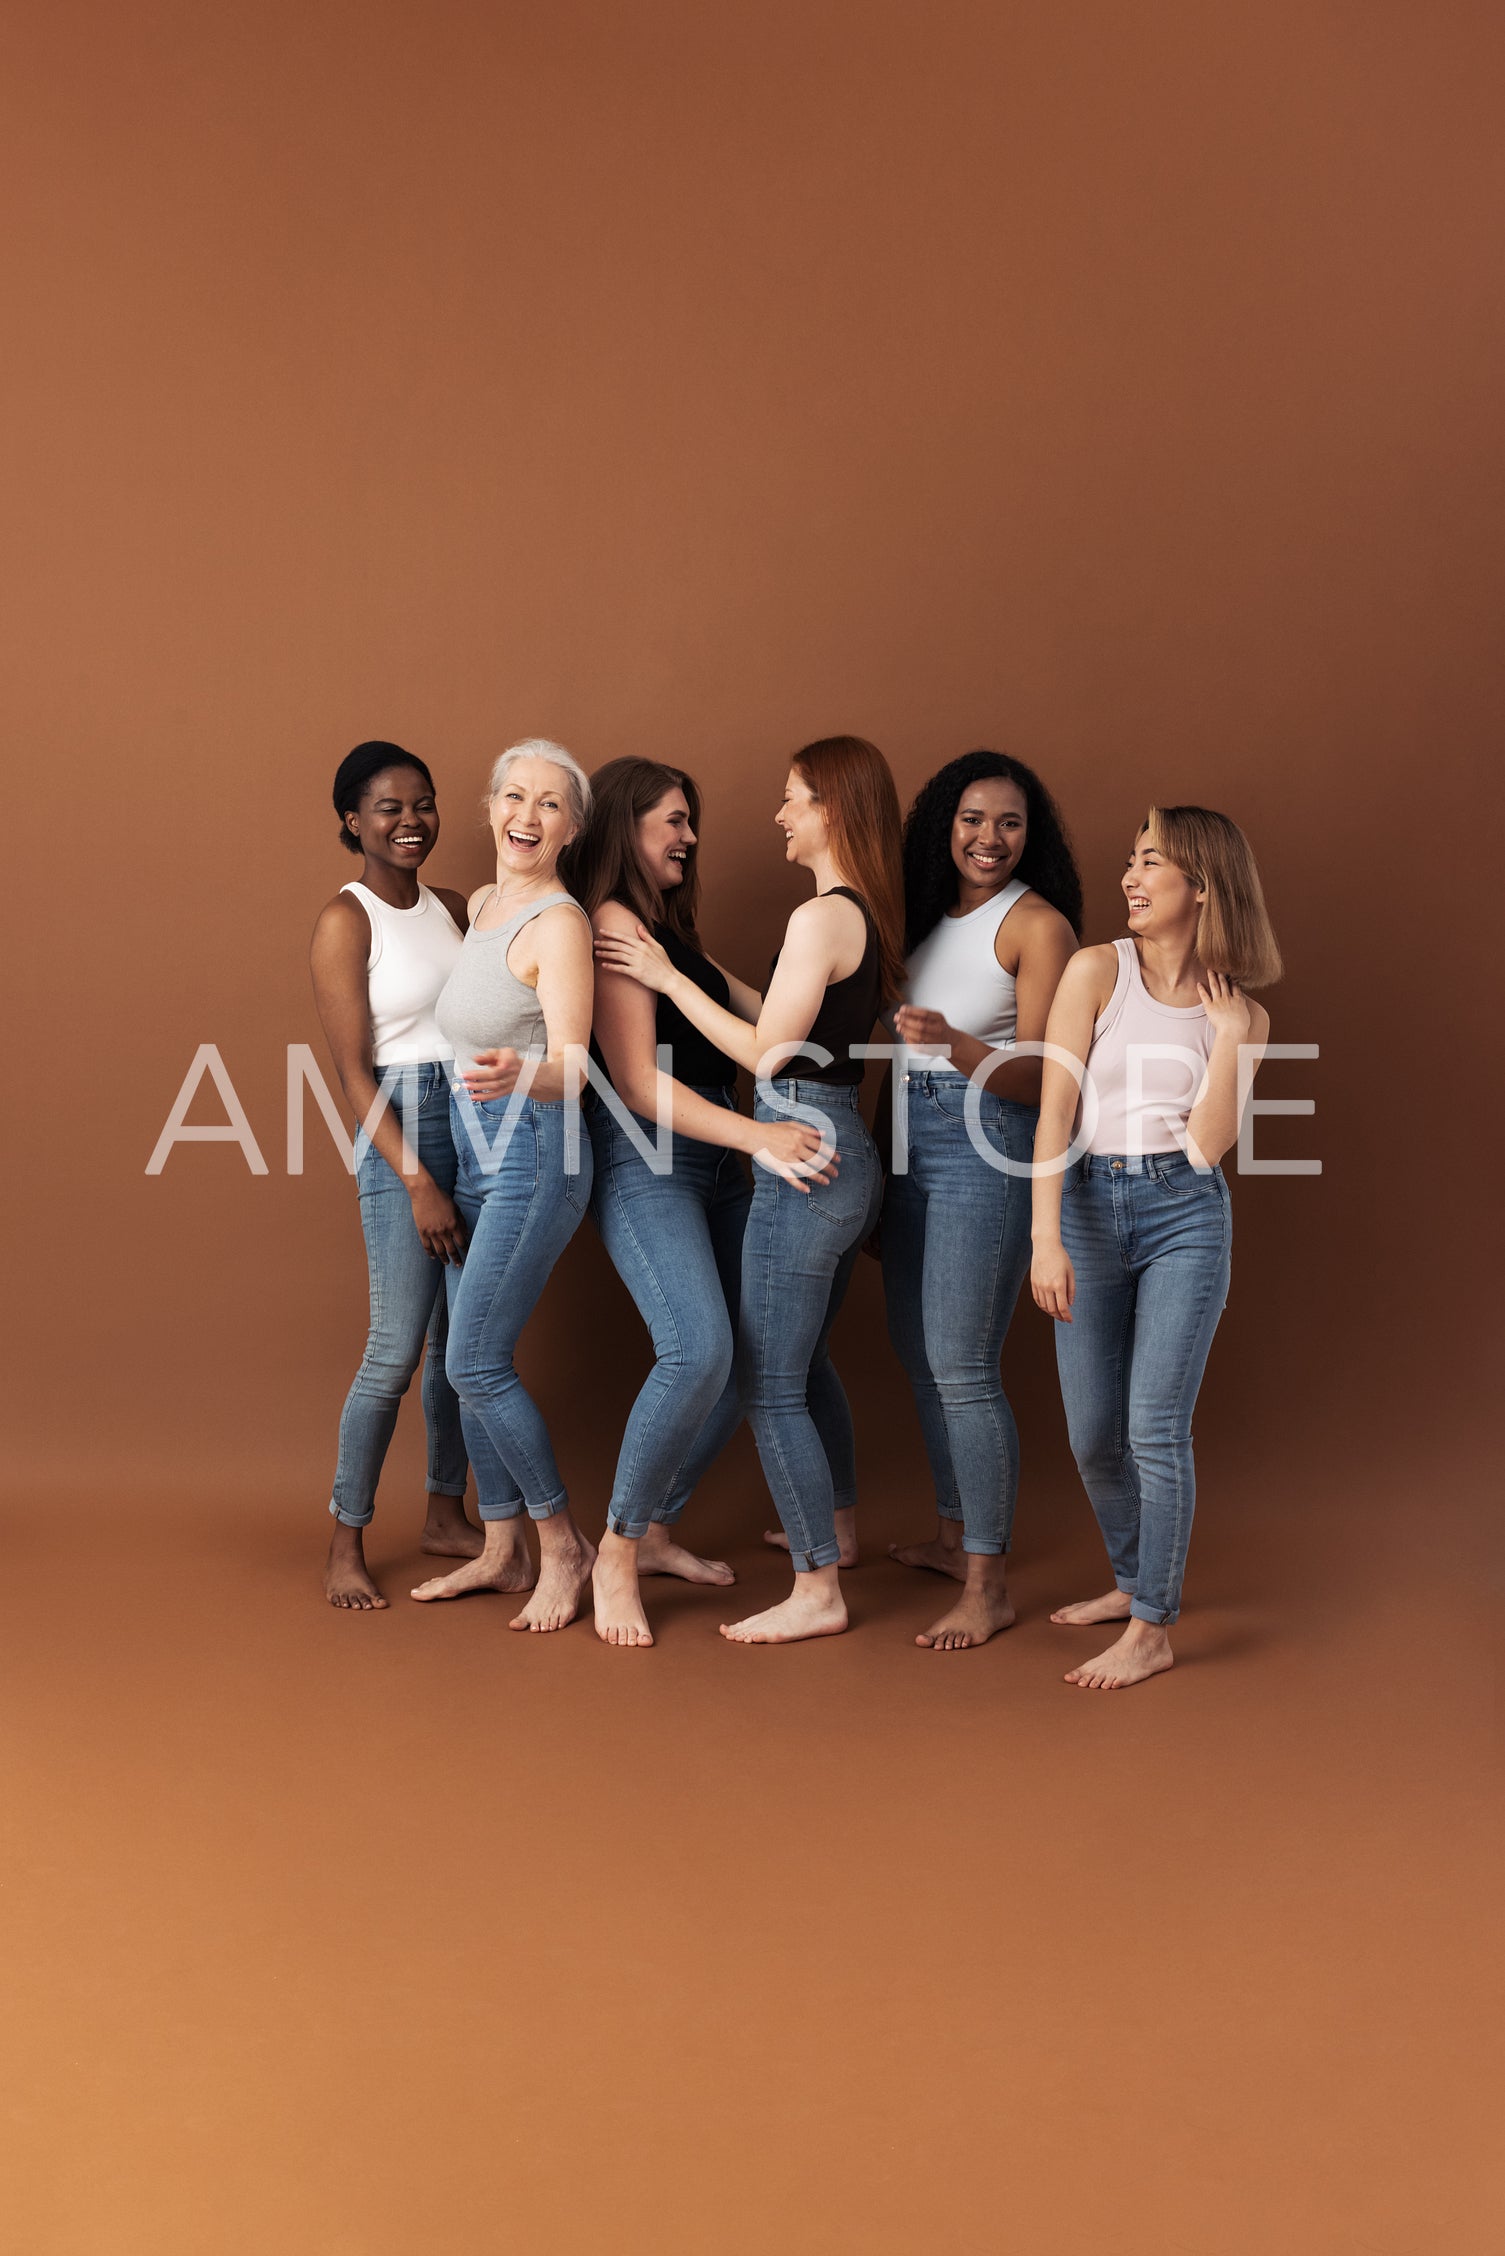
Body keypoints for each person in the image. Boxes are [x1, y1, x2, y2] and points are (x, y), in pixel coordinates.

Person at [596, 735, 905, 1644]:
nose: (777, 814)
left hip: (796, 1142)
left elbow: (769, 1052)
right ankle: (836, 1532)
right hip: (837, 1142)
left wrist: (656, 975)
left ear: (832, 811)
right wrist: (680, 970)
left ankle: (815, 1586)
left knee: (769, 1384)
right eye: (676, 820)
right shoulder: (860, 915)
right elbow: (769, 1006)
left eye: (793, 799)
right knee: (797, 1363)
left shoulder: (820, 918)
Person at [1031, 805, 1280, 1688]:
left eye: (1151, 864)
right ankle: (1136, 1578)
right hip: (1090, 1203)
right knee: (1093, 1433)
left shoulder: (1241, 1014)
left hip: (1185, 1213)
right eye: (1130, 862)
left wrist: (1229, 1039)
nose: (1131, 879)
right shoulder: (1097, 969)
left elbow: (1207, 1146)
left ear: (1201, 887)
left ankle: (1150, 1625)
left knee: (1154, 1430)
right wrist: (1044, 1235)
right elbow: (1055, 1109)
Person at [310, 740, 528, 1611]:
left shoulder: (448, 905)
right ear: (351, 823)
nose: (410, 821)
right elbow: (352, 1071)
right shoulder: (345, 918)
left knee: (462, 1344)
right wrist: (416, 1179)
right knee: (395, 1351)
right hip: (399, 1123)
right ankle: (345, 1538)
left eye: (424, 804)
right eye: (389, 809)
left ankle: (447, 1511)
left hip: (474, 1114)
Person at [882, 752, 1081, 1648]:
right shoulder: (921, 919)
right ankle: (955, 1535)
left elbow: (1044, 1079)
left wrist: (956, 1044)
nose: (988, 839)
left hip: (981, 1144)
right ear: (943, 826)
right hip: (907, 1144)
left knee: (962, 1366)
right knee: (921, 1358)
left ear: (1028, 835)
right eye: (970, 819)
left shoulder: (1035, 926)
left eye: (1007, 823)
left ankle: (989, 1583)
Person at [410, 740, 598, 1633]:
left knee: (472, 1360)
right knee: (468, 1360)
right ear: (489, 807)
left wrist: (515, 1073)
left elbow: (575, 1067)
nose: (528, 815)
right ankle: (501, 1547)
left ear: (571, 828)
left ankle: (562, 1543)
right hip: (470, 1154)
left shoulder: (558, 925)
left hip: (533, 1153)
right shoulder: (484, 905)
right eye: (515, 797)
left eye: (551, 804)